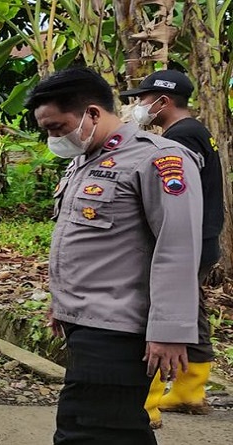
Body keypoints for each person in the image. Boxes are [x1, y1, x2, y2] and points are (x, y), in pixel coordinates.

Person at [25, 67, 203, 444]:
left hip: (120, 328)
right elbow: (88, 245)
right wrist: (63, 305)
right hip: (86, 322)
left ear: (92, 113)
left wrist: (170, 332)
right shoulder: (85, 159)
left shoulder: (157, 159)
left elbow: (178, 246)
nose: (53, 138)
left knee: (89, 431)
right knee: (112, 429)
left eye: (58, 127)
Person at [120, 69, 225, 428]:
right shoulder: (195, 132)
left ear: (163, 101)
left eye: (143, 99)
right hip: (203, 240)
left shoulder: (181, 139)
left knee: (160, 316)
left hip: (187, 242)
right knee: (190, 313)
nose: (139, 105)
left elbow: (175, 197)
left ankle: (144, 406)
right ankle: (188, 391)